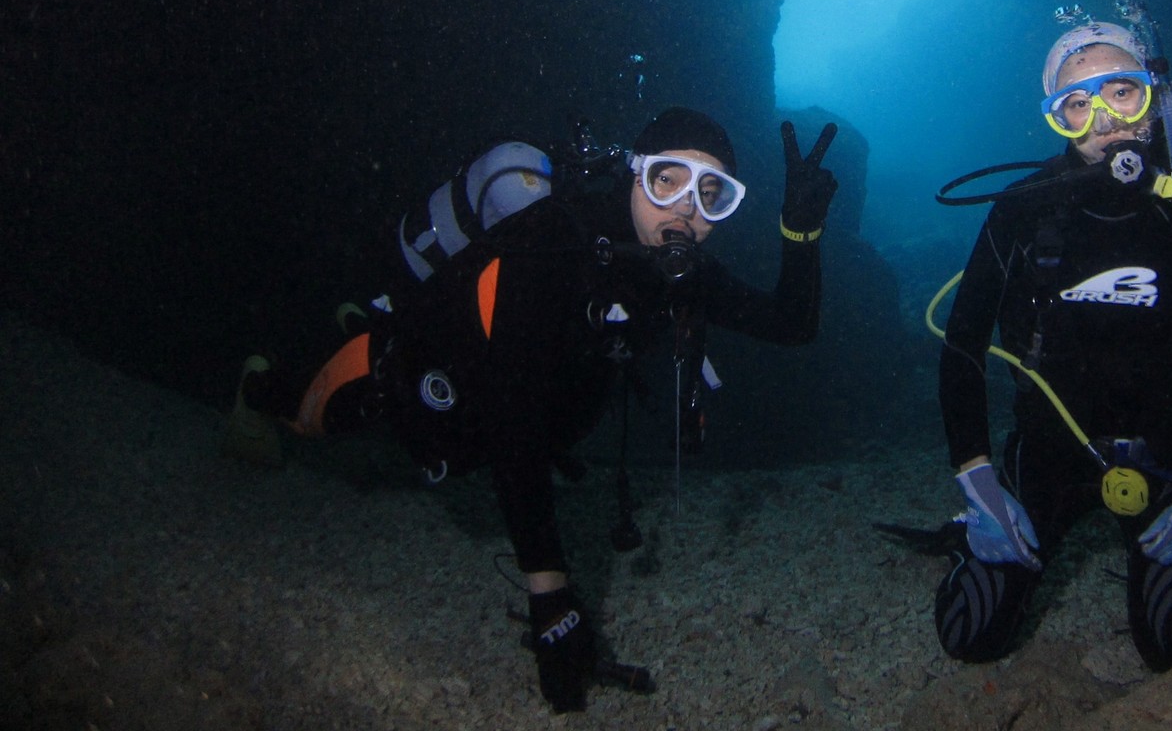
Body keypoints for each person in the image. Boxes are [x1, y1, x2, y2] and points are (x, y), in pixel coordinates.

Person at [222, 107, 839, 713]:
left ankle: (352, 324)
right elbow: (511, 417)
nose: (686, 209)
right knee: (314, 416)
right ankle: (265, 387)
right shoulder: (550, 241)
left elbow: (789, 324)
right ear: (634, 174)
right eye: (667, 180)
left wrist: (800, 232)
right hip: (418, 378)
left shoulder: (680, 273)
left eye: (713, 195)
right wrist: (551, 598)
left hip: (519, 420)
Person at [931, 20, 1172, 670]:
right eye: (1076, 104)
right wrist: (978, 478)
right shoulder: (1020, 212)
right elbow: (960, 348)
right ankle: (980, 536)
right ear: (1056, 119)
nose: (1103, 118)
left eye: (1120, 91)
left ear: (1157, 96)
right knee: (969, 635)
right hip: (1047, 453)